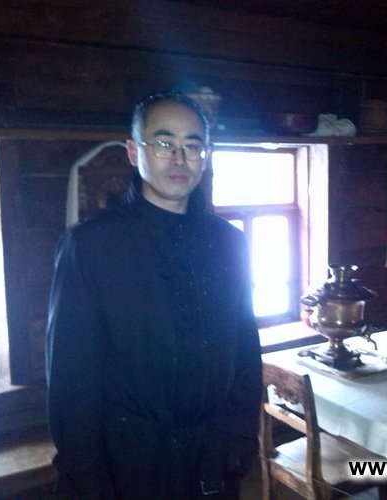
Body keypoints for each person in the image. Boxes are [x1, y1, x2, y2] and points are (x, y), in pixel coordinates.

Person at [46, 91, 262, 498]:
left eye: (192, 146)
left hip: (211, 457)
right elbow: (71, 382)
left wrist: (241, 435)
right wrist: (87, 479)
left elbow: (245, 348)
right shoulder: (91, 247)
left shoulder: (228, 242)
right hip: (129, 464)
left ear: (206, 155)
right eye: (164, 143)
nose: (179, 159)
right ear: (134, 151)